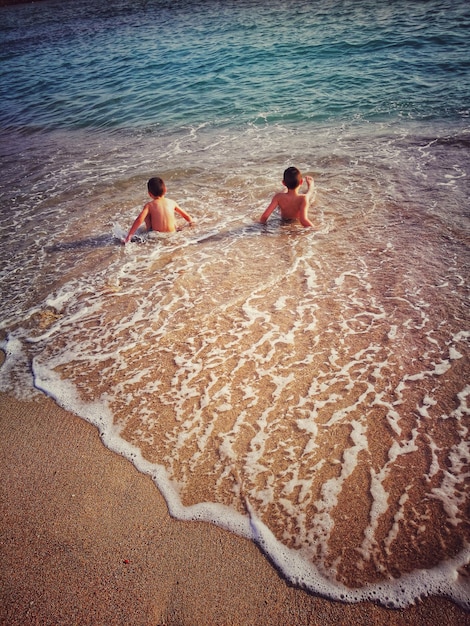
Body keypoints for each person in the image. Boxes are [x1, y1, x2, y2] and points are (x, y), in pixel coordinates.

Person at [124, 177, 192, 244]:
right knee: (171, 216)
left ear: (149, 194)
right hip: (172, 233)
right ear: (165, 190)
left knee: (147, 215)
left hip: (156, 235)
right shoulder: (172, 202)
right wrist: (192, 223)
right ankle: (175, 227)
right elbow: (187, 216)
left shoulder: (149, 205)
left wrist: (129, 235)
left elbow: (140, 219)